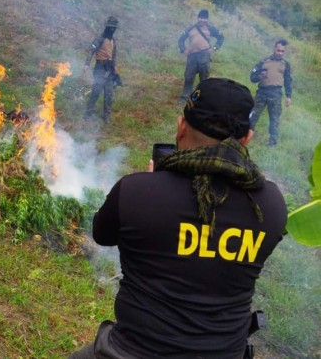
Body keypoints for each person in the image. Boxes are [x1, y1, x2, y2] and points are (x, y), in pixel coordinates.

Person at [69, 78, 287, 359]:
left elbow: (102, 234)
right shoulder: (271, 205)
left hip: (131, 352)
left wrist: (152, 187)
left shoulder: (137, 191)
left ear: (181, 127)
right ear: (246, 139)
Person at [249, 39, 293, 147]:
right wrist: (259, 76)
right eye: (278, 50)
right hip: (262, 92)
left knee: (274, 119)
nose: (280, 53)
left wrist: (288, 96)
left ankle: (272, 144)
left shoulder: (286, 64)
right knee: (253, 116)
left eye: (282, 51)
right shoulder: (263, 61)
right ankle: (246, 136)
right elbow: (252, 77)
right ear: (274, 48)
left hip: (276, 94)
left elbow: (288, 80)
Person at [178, 9, 224, 100]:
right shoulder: (191, 28)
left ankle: (201, 97)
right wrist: (183, 49)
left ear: (207, 19)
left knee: (204, 78)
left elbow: (221, 38)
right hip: (192, 55)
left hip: (204, 55)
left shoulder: (211, 28)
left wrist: (214, 48)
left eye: (204, 18)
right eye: (200, 18)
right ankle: (184, 97)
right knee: (188, 76)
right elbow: (181, 40)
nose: (202, 20)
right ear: (198, 18)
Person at [84, 16, 122, 122]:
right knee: (96, 91)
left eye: (114, 28)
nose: (112, 29)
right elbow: (91, 51)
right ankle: (88, 114)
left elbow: (113, 56)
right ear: (107, 27)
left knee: (109, 94)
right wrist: (87, 64)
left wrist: (115, 69)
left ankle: (106, 116)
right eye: (110, 27)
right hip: (100, 68)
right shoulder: (100, 39)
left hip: (109, 69)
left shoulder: (113, 41)